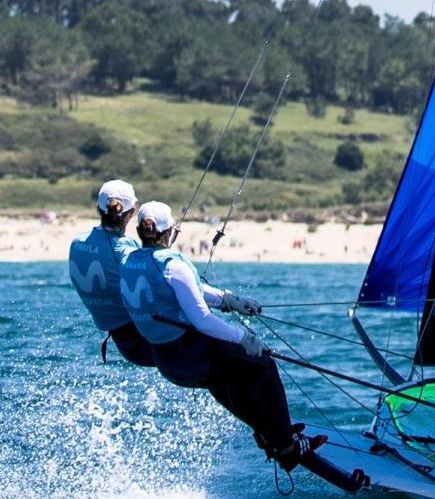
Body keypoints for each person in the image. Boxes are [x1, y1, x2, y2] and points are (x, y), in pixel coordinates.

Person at [119, 201, 325, 469]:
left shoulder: (129, 261)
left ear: (139, 231)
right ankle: (286, 444)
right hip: (191, 355)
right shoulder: (172, 265)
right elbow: (202, 319)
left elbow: (187, 290)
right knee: (263, 366)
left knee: (226, 379)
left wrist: (229, 299)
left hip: (167, 362)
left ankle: (266, 432)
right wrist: (244, 338)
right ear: (170, 231)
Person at [69, 180, 155, 367]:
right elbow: (161, 280)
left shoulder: (77, 243)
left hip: (123, 342)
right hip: (145, 340)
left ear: (98, 210)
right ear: (131, 213)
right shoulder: (124, 248)